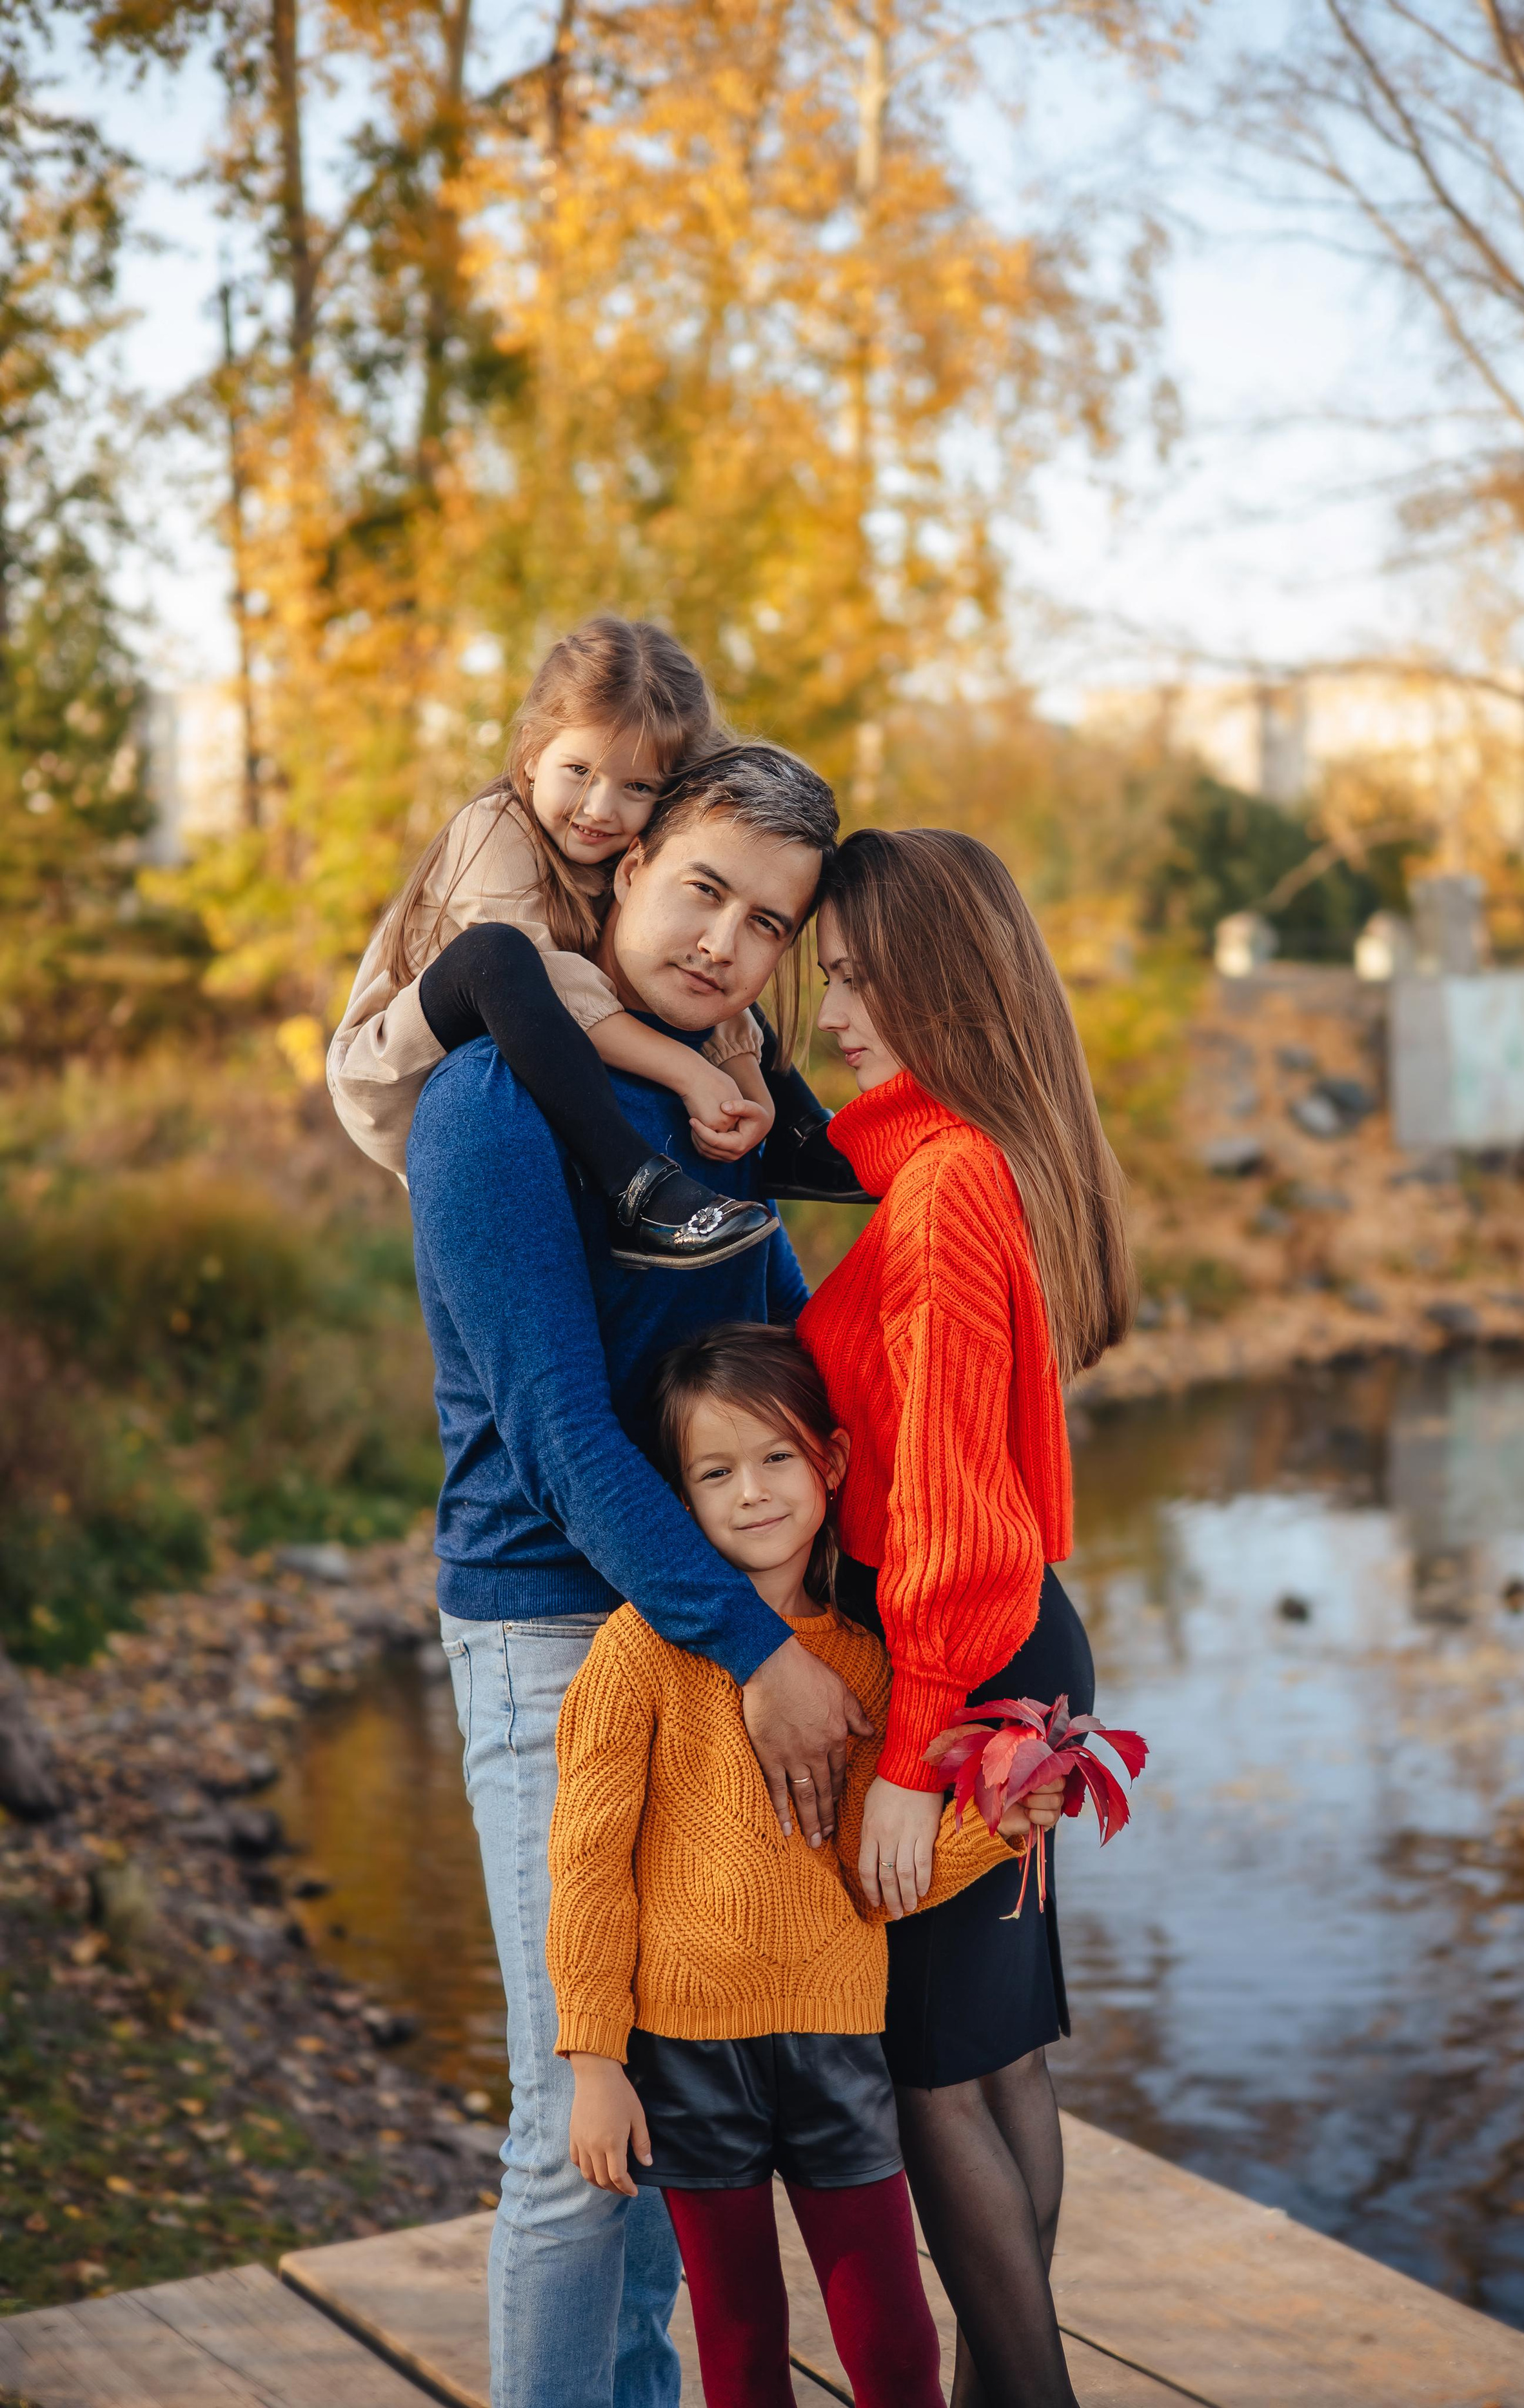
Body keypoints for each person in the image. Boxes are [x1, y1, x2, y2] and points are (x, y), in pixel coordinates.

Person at [403, 746, 873, 2408]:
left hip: (698, 1628)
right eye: (702, 889)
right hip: (551, 1626)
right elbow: (553, 1439)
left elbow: (781, 1355)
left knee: (675, 2086)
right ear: (623, 863)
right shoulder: (488, 1105)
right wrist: (756, 1645)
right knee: (572, 2103)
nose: (726, 944)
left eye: (769, 923)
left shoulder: (712, 1106)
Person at [549, 1323, 1065, 2408]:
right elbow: (588, 1864)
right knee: (740, 2349)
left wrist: (998, 1824)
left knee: (891, 2338)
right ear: (677, 1494)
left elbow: (883, 1874)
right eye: (716, 1470)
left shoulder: (868, 1663)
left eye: (776, 1457)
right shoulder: (638, 1652)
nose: (752, 1493)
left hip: (837, 2039)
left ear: (831, 1460)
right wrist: (594, 2057)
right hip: (690, 2053)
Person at [796, 827, 1134, 2408]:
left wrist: (910, 1759)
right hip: (1022, 1649)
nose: (831, 1014)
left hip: (961, 1657)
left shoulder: (941, 1196)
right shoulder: (989, 1154)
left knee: (929, 2068)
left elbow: (941, 1508)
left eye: (859, 982)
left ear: (941, 982)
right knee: (1001, 2052)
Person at [330, 615, 860, 1269]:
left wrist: (747, 1094)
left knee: (719, 949)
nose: (600, 808)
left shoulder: (618, 849)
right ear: (531, 751)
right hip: (395, 1065)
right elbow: (547, 981)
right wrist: (689, 1070)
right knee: (498, 955)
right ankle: (634, 1188)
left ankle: (797, 1139)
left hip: (527, 1028)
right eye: (579, 769)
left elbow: (714, 1003)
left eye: (637, 787)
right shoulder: (496, 827)